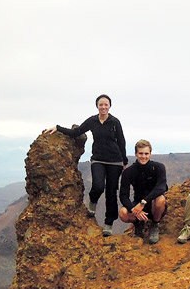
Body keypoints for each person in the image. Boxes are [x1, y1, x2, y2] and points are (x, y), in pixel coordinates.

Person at [42, 94, 127, 236]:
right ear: (97, 106)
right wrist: (58, 128)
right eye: (101, 104)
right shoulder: (92, 121)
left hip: (115, 161)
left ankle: (108, 223)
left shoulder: (115, 122)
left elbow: (121, 141)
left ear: (110, 106)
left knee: (111, 192)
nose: (103, 107)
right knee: (98, 186)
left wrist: (124, 161)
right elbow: (76, 132)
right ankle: (93, 201)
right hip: (98, 159)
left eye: (106, 104)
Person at [118, 139, 168, 244]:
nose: (143, 156)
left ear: (150, 154)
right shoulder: (128, 172)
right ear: (136, 154)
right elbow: (123, 196)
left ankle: (155, 223)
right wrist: (134, 209)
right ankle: (138, 224)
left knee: (161, 199)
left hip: (154, 205)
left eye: (146, 153)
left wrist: (143, 202)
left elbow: (161, 188)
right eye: (141, 153)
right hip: (138, 205)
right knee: (123, 213)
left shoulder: (158, 167)